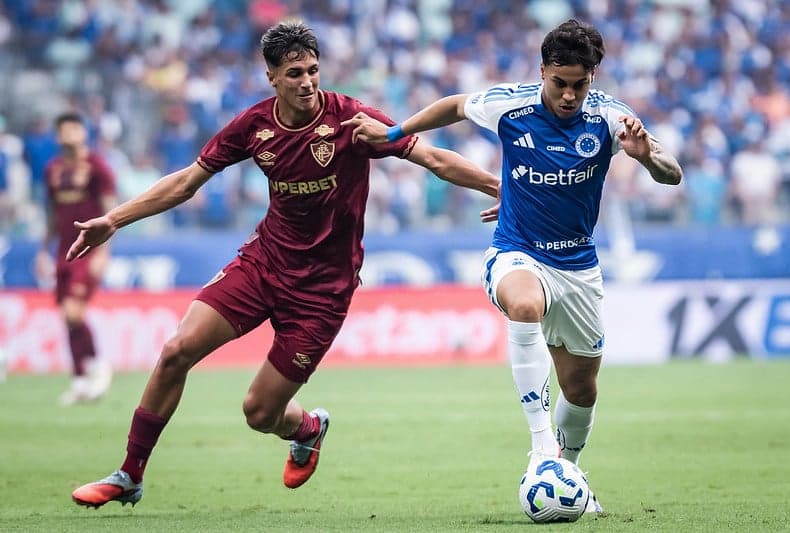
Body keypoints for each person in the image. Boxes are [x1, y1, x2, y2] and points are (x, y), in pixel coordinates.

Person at [69, 20, 499, 508]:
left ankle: (308, 427)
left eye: (313, 70)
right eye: (295, 73)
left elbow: (434, 158)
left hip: (323, 292)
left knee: (259, 412)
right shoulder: (253, 126)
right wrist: (114, 219)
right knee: (176, 350)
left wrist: (499, 187)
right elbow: (186, 183)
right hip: (264, 263)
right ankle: (130, 474)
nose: (307, 82)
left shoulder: (352, 119)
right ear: (271, 76)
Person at [344, 19, 683, 513]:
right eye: (560, 83)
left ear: (593, 78)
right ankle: (542, 448)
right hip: (517, 250)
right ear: (542, 70)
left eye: (580, 85)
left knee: (582, 389)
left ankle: (567, 470)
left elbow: (673, 174)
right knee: (524, 305)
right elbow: (453, 106)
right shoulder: (511, 104)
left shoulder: (612, 118)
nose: (569, 96)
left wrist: (646, 157)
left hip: (578, 267)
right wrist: (393, 132)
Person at [36, 112, 116, 406]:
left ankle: (97, 366)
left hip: (88, 249)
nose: (68, 134)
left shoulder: (97, 167)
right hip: (62, 251)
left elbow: (111, 213)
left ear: (83, 132)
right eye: (63, 130)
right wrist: (43, 250)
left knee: (74, 313)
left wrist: (104, 252)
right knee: (66, 317)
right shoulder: (52, 169)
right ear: (57, 136)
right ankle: (80, 380)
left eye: (73, 128)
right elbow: (52, 215)